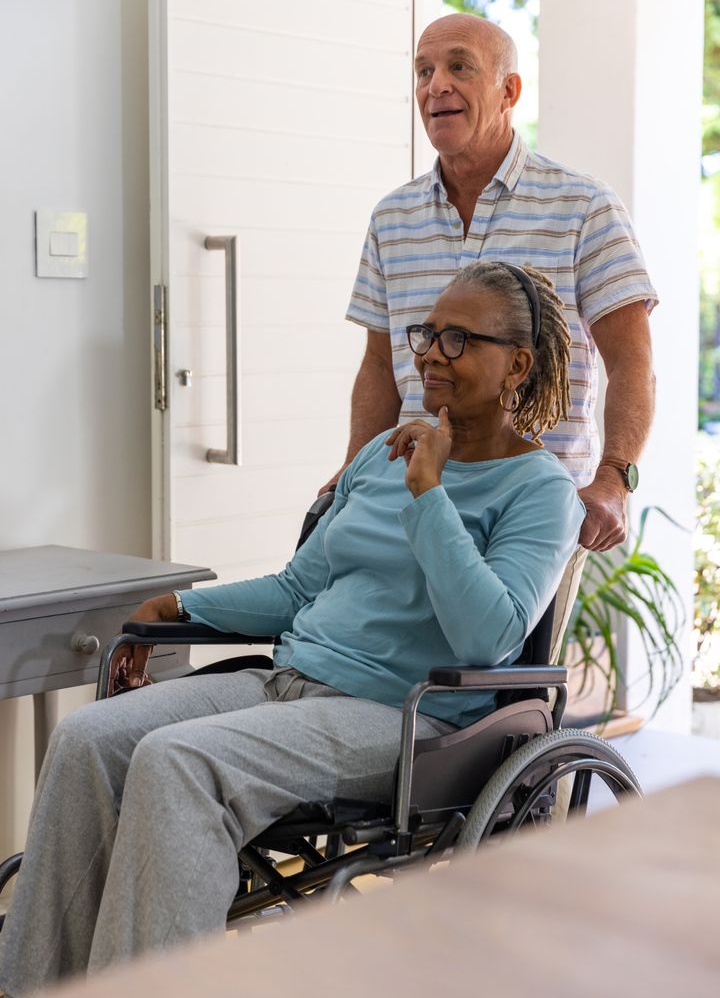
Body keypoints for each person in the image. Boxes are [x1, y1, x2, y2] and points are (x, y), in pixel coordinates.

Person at [0, 262, 585, 996]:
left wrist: (431, 492)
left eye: (459, 339)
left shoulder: (540, 489)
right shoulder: (382, 453)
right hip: (288, 681)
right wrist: (180, 607)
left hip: (405, 718)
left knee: (179, 763)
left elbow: (486, 636)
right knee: (88, 739)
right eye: (428, 333)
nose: (432, 353)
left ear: (518, 365)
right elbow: (298, 587)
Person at [331, 14, 657, 562]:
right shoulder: (392, 216)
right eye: (423, 71)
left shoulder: (583, 206)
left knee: (497, 646)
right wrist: (353, 471)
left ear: (508, 91)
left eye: (459, 66)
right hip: (409, 495)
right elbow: (378, 366)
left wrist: (614, 480)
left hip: (534, 513)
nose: (436, 85)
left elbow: (632, 362)